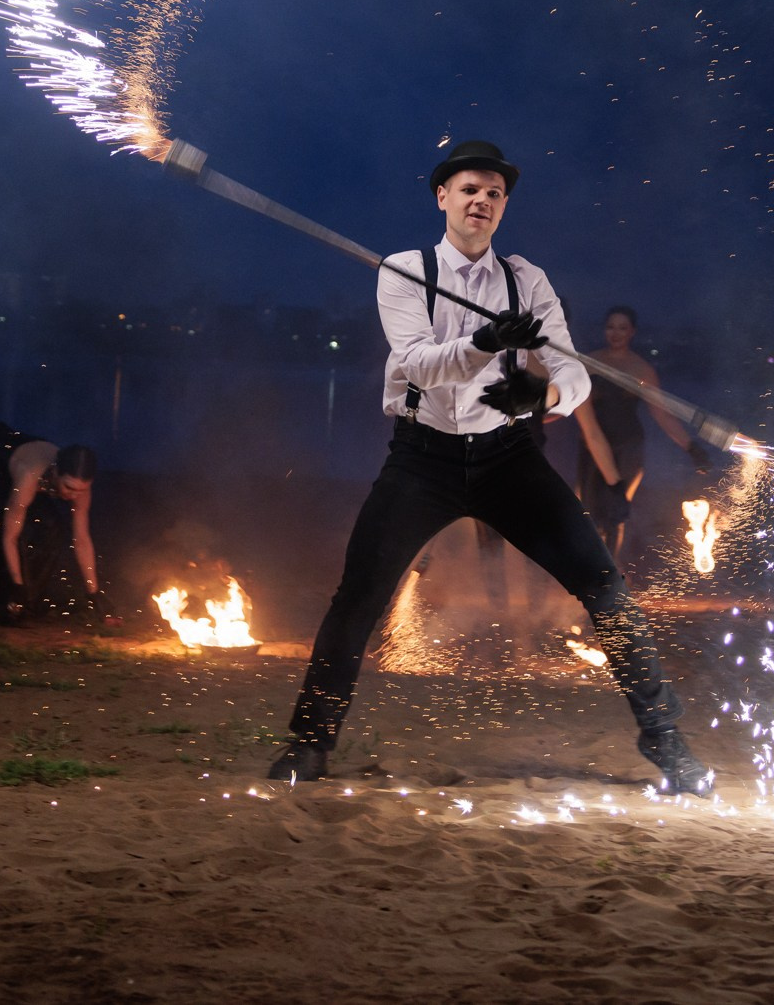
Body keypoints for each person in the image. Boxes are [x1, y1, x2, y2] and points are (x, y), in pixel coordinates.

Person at [267, 140, 712, 794]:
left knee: (605, 587)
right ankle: (310, 742)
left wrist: (546, 395)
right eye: (469, 188)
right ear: (442, 197)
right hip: (423, 459)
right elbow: (417, 361)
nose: (481, 199)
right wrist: (484, 342)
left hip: (509, 458)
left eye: (494, 192)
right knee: (357, 598)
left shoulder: (526, 280)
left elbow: (572, 372)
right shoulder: (402, 269)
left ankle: (665, 738)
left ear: (503, 207)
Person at [570, 306, 699, 563]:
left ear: (632, 332)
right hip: (592, 445)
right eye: (610, 327)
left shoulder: (641, 370)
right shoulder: (589, 363)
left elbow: (661, 414)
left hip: (627, 447)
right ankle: (590, 576)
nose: (615, 333)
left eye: (622, 328)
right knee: (589, 514)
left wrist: (691, 447)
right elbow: (570, 403)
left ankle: (609, 581)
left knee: (615, 511)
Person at [0, 438, 100, 624]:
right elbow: (10, 537)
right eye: (68, 487)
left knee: (53, 528)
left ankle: (28, 603)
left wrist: (94, 593)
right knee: (15, 529)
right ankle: (10, 602)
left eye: (81, 490)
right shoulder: (29, 475)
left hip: (34, 474)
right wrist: (16, 585)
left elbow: (82, 540)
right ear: (55, 472)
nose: (74, 495)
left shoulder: (78, 485)